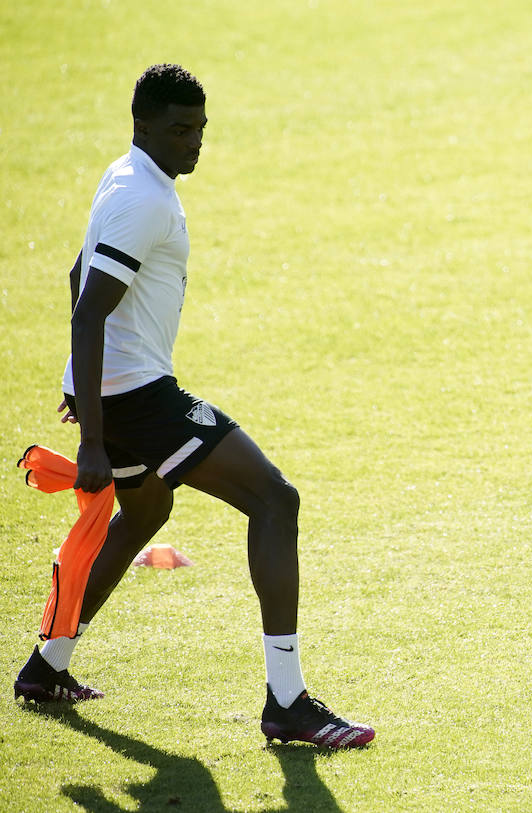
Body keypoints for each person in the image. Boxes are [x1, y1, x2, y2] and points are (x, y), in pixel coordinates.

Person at [12, 64, 374, 749]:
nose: (193, 143)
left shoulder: (125, 175)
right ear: (142, 125)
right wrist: (93, 435)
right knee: (275, 499)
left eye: (200, 129)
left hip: (116, 392)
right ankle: (288, 702)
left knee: (147, 508)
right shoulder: (144, 198)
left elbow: (74, 273)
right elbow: (89, 314)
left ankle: (46, 665)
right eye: (179, 130)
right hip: (139, 398)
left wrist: (81, 390)